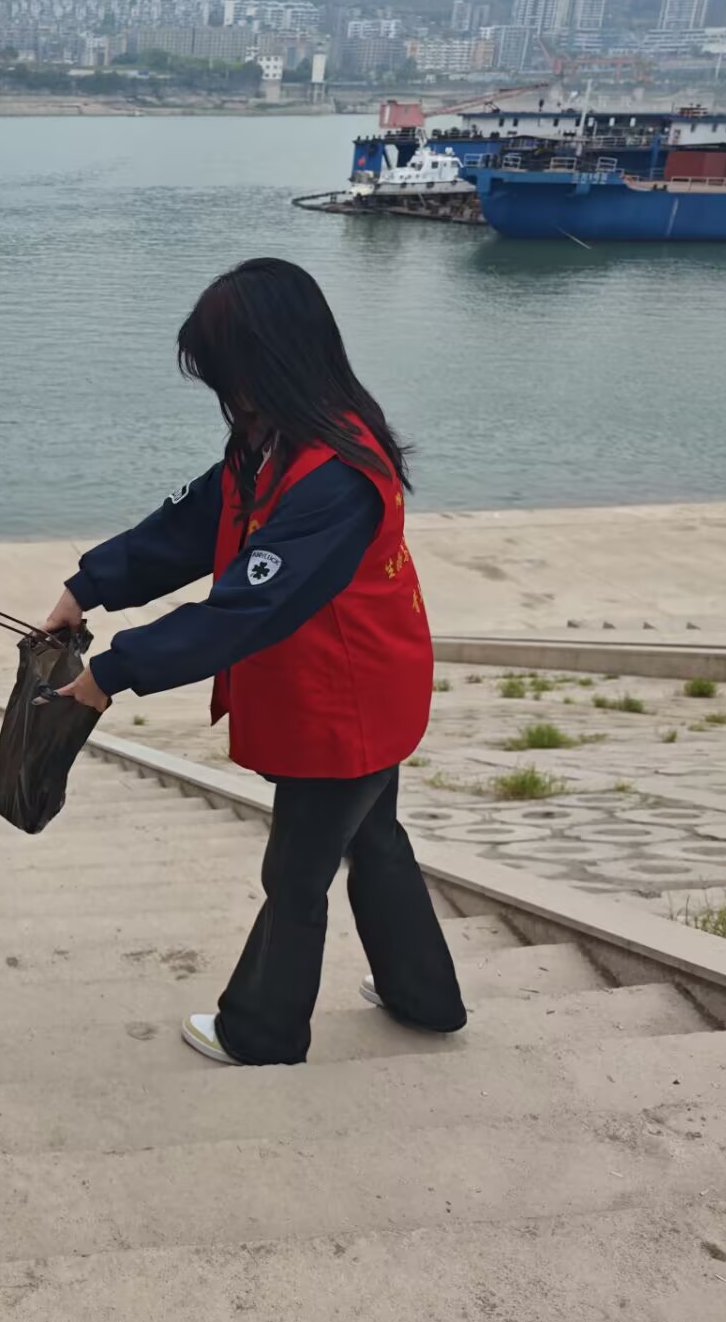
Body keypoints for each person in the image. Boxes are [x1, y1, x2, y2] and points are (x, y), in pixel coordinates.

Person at [41, 257, 466, 1067]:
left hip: (347, 700)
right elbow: (196, 520)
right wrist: (89, 585)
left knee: (297, 875)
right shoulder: (275, 436)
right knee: (375, 838)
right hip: (360, 680)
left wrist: (113, 673)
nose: (225, 394)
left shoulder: (337, 477)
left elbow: (247, 606)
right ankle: (426, 997)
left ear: (268, 361)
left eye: (228, 374)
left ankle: (262, 1032)